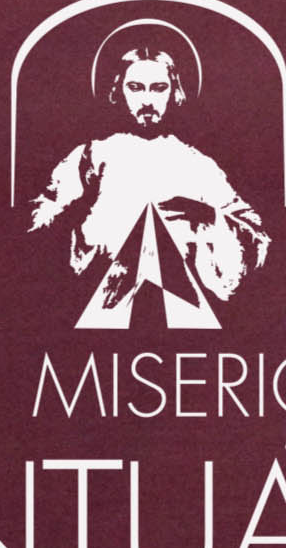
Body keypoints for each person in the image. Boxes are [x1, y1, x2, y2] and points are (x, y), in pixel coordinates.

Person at [26, 26, 271, 331]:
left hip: (182, 310)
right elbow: (37, 223)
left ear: (174, 92)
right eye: (135, 87)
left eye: (158, 88)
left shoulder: (199, 165)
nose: (147, 99)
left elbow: (255, 235)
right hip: (99, 301)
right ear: (117, 90)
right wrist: (77, 220)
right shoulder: (91, 156)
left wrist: (208, 217)